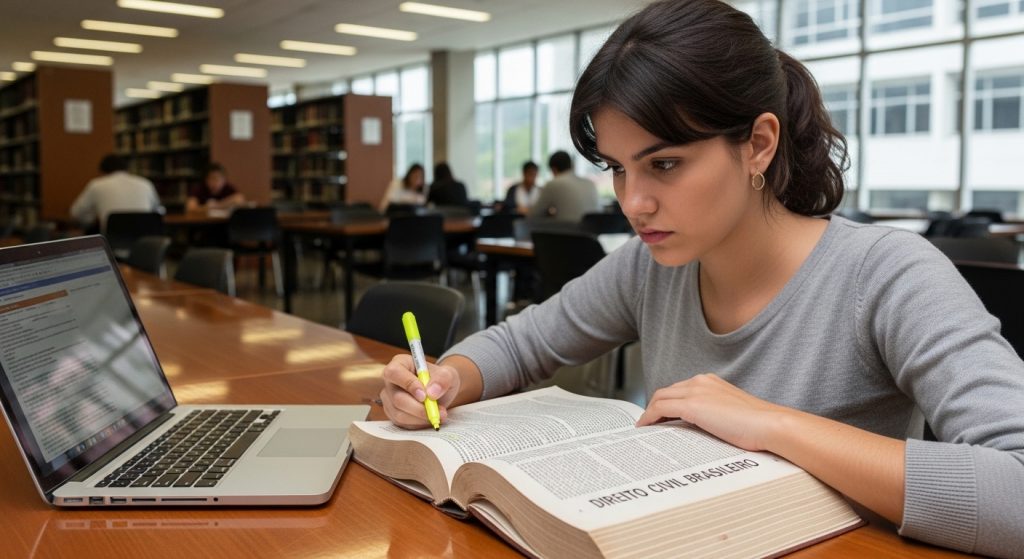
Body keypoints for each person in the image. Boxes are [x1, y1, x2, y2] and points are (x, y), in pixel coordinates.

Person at [377, 1, 1024, 557]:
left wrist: (770, 423)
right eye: (618, 167)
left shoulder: (887, 274)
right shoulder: (651, 265)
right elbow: (524, 345)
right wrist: (450, 376)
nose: (634, 202)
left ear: (759, 145)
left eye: (663, 163)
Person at [70, 154, 163, 231]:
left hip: (113, 241)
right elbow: (159, 211)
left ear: (103, 171)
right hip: (145, 241)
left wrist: (90, 219)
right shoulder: (145, 183)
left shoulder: (97, 185)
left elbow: (76, 213)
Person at [528, 150, 599, 221]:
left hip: (568, 230)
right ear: (571, 166)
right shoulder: (590, 183)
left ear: (553, 169)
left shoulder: (553, 184)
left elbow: (534, 214)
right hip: (594, 230)